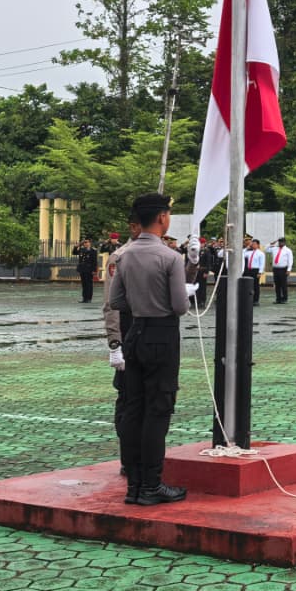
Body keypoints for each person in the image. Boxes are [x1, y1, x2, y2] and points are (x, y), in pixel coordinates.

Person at [108, 193, 190, 506]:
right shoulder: (170, 257)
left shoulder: (124, 255)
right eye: (168, 213)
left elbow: (116, 302)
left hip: (135, 334)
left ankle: (134, 485)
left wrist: (141, 303)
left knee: (134, 408)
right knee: (158, 410)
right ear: (161, 219)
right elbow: (180, 307)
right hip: (162, 335)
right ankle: (151, 485)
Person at [102, 215, 140, 459]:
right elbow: (111, 304)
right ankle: (129, 457)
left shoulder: (162, 253)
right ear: (135, 227)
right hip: (128, 334)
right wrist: (115, 343)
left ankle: (147, 458)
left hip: (155, 335)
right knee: (128, 398)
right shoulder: (121, 256)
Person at [74, 238, 98, 303]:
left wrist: (94, 270)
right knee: (84, 284)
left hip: (89, 269)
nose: (86, 244)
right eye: (84, 242)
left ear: (90, 243)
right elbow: (74, 252)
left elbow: (94, 261)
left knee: (89, 284)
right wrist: (77, 245)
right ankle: (84, 298)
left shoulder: (93, 250)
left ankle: (89, 298)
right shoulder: (81, 249)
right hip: (82, 269)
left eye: (87, 242)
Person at [270, 238, 293, 304]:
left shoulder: (288, 250)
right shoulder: (274, 249)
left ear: (285, 242)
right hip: (275, 269)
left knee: (283, 284)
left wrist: (289, 269)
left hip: (283, 269)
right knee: (277, 285)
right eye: (279, 242)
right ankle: (278, 298)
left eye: (282, 242)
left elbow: (290, 260)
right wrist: (271, 244)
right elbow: (266, 249)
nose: (280, 243)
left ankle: (284, 298)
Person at [242, 238, 265, 306]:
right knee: (248, 285)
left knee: (255, 286)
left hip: (255, 270)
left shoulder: (260, 253)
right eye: (252, 244)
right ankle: (248, 299)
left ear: (258, 245)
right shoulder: (249, 252)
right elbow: (242, 254)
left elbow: (262, 263)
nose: (253, 245)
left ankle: (256, 300)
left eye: (254, 244)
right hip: (248, 270)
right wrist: (247, 248)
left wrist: (260, 272)